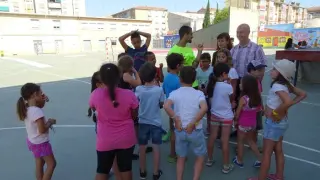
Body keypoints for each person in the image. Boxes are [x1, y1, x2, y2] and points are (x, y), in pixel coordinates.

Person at [249, 60, 306, 180]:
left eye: (274, 69)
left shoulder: (277, 86)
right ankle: (279, 175)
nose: (271, 71)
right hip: (282, 123)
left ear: (280, 73)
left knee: (267, 153)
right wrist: (281, 110)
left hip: (274, 124)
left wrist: (276, 112)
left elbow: (288, 101)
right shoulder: (286, 85)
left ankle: (261, 178)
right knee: (278, 150)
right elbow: (302, 94)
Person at [89, 63, 139, 180]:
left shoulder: (95, 94)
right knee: (126, 168)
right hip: (126, 138)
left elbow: (94, 108)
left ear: (102, 78)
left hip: (105, 140)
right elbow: (134, 114)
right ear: (119, 76)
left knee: (102, 170)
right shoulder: (129, 94)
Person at [164, 66, 208, 180]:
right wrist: (193, 122)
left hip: (180, 130)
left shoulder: (174, 93)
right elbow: (204, 108)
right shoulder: (199, 93)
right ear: (194, 80)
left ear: (180, 79)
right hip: (195, 130)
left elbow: (166, 106)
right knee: (200, 156)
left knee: (181, 158)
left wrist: (176, 119)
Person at [17, 83, 57, 180]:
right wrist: (50, 122)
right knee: (52, 164)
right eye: (40, 93)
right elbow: (42, 130)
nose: (42, 95)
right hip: (41, 143)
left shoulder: (27, 108)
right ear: (34, 95)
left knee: (40, 163)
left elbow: (40, 105)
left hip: (33, 141)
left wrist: (43, 98)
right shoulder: (37, 111)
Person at [135, 62, 165, 180]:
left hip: (143, 122)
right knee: (156, 147)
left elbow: (135, 102)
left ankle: (142, 171)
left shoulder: (139, 89)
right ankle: (156, 172)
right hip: (156, 123)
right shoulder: (158, 90)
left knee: (142, 148)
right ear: (155, 76)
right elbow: (161, 104)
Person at [206, 63, 234, 174]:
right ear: (223, 74)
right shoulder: (228, 86)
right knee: (225, 140)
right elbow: (231, 99)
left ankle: (209, 159)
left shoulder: (211, 85)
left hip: (214, 115)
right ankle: (226, 165)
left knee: (212, 137)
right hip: (226, 116)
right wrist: (229, 84)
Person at [232, 75, 262, 168]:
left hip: (243, 124)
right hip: (252, 124)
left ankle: (239, 160)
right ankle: (260, 159)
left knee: (240, 141)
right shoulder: (257, 98)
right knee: (251, 141)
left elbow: (237, 113)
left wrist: (235, 120)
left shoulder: (243, 99)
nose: (240, 84)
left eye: (241, 83)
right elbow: (258, 110)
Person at [162, 53, 184, 163]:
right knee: (179, 133)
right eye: (182, 65)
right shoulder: (178, 80)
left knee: (172, 131)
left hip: (169, 109)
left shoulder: (166, 77)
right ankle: (180, 155)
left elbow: (164, 90)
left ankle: (172, 154)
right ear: (178, 66)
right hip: (178, 111)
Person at [247, 62, 267, 152]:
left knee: (256, 128)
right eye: (258, 70)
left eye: (261, 70)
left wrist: (262, 106)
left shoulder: (258, 81)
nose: (260, 72)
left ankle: (253, 143)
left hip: (257, 108)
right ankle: (250, 143)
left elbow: (259, 94)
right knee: (249, 127)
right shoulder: (246, 81)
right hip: (249, 109)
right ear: (251, 71)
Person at [196, 52, 213, 137]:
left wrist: (208, 89)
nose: (203, 63)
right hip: (199, 94)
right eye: (202, 61)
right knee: (198, 112)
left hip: (208, 94)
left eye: (205, 61)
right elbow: (194, 81)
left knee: (209, 112)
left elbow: (214, 82)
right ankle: (197, 126)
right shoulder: (197, 70)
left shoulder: (212, 70)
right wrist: (199, 88)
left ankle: (209, 128)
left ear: (209, 61)